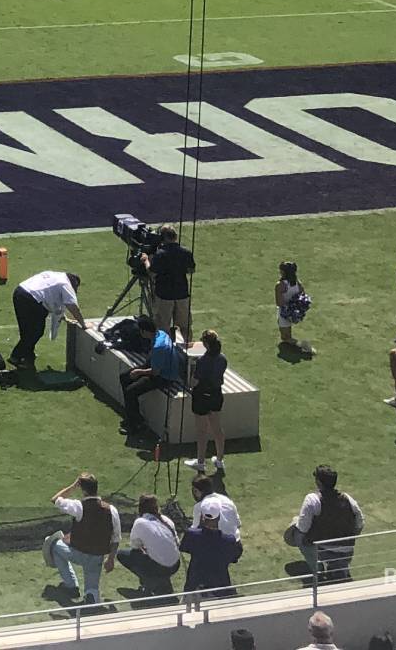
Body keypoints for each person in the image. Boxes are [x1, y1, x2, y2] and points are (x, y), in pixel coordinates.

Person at [46, 472, 118, 605]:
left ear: (83, 489)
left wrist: (73, 486)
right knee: (92, 592)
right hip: (97, 556)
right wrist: (111, 559)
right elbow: (116, 538)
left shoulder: (78, 506)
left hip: (79, 553)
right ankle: (91, 596)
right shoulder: (112, 509)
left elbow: (55, 499)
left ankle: (71, 585)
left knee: (52, 543)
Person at [288, 466, 364, 581]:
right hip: (347, 549)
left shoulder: (312, 499)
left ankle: (317, 567)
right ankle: (340, 568)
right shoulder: (348, 498)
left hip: (324, 549)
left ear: (318, 482)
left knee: (297, 533)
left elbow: (303, 528)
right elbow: (360, 523)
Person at [11, 268, 85, 374]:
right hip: (31, 300)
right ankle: (16, 356)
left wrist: (64, 317)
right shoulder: (65, 284)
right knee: (36, 331)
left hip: (19, 292)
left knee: (26, 329)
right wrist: (83, 324)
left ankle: (27, 354)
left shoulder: (55, 276)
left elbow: (52, 298)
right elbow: (72, 306)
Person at [118, 493, 180, 595]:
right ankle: (163, 582)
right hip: (175, 564)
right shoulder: (167, 520)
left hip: (159, 566)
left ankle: (149, 580)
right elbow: (176, 542)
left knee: (123, 554)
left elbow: (135, 546)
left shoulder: (140, 522)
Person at [188, 330, 229, 475]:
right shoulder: (222, 358)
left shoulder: (202, 361)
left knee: (202, 430)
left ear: (205, 344)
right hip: (216, 395)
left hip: (201, 397)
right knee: (217, 428)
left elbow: (195, 382)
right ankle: (219, 459)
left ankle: (200, 462)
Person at [147, 225, 194, 338]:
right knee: (185, 326)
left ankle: (166, 352)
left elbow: (152, 273)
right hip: (182, 293)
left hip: (164, 295)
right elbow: (191, 270)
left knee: (163, 328)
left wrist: (146, 261)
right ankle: (187, 348)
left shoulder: (160, 254)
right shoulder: (186, 252)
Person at [277, 259, 314, 356]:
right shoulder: (297, 283)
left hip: (284, 313)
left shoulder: (280, 285)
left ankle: (303, 345)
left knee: (285, 338)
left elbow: (279, 302)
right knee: (285, 337)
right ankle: (301, 345)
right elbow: (303, 295)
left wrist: (289, 309)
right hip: (295, 312)